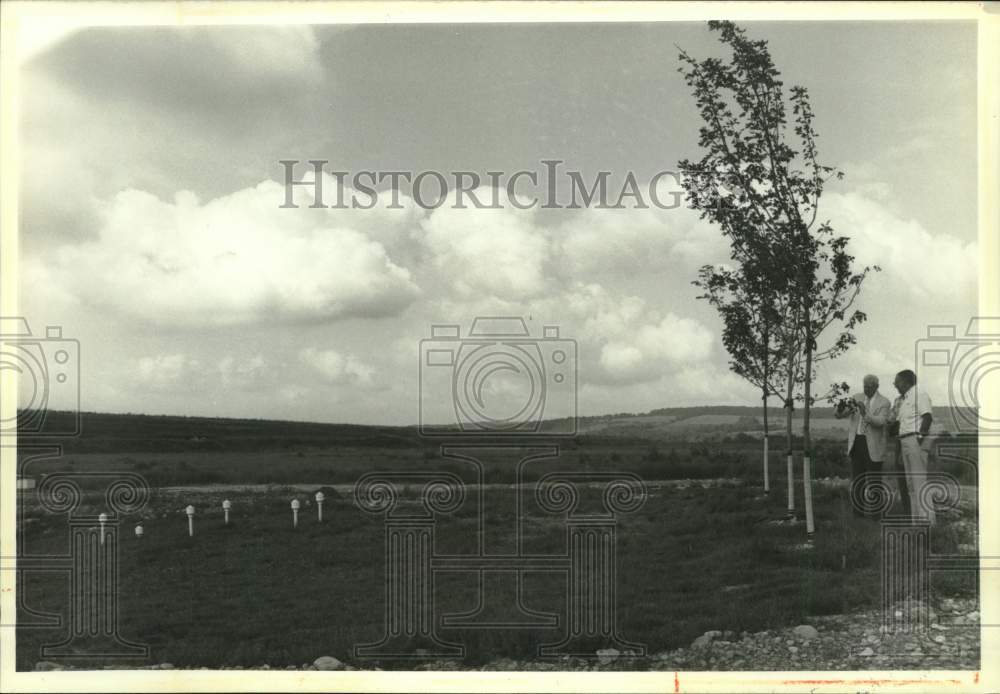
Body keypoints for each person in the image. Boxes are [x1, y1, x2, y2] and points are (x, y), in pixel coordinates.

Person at [835, 375, 891, 518]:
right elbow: (840, 416)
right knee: (858, 481)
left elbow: (880, 422)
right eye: (864, 385)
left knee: (874, 482)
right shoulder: (857, 396)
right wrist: (840, 409)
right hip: (857, 443)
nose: (865, 389)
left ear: (876, 387)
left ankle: (876, 516)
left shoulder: (884, 402)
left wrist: (864, 411)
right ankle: (858, 514)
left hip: (873, 446)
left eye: (869, 386)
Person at [888, 369, 935, 525]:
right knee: (910, 485)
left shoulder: (919, 394)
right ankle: (917, 522)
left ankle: (928, 522)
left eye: (897, 382)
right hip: (905, 442)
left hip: (915, 441)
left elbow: (927, 417)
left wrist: (919, 440)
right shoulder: (905, 399)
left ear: (906, 382)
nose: (895, 385)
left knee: (919, 483)